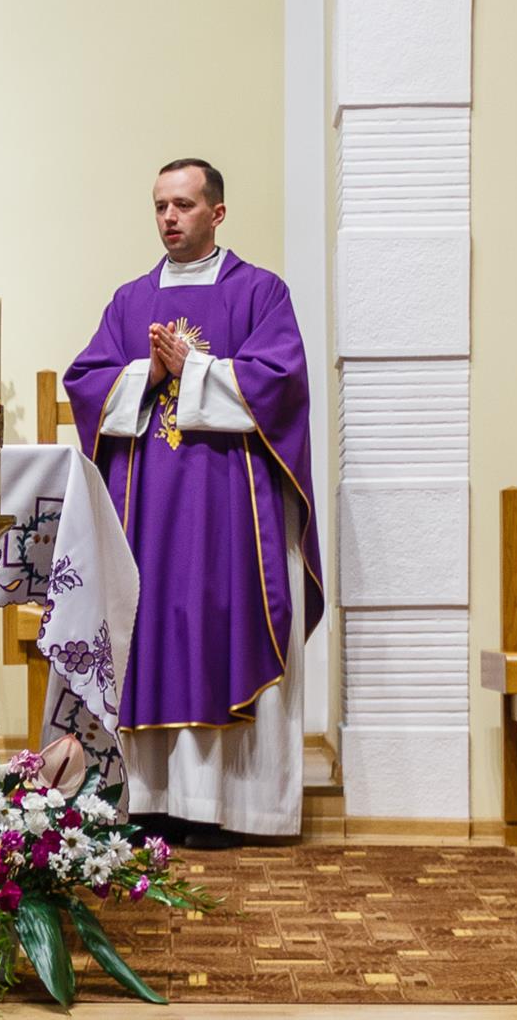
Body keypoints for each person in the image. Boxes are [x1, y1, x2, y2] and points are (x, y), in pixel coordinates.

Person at [63, 159, 322, 846]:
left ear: (217, 212)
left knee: (219, 631)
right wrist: (145, 373)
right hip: (148, 512)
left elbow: (281, 383)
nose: (169, 218)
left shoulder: (260, 292)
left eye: (182, 204)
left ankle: (222, 806)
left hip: (230, 514)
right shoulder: (129, 301)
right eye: (159, 206)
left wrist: (194, 369)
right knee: (146, 633)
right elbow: (85, 382)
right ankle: (147, 800)